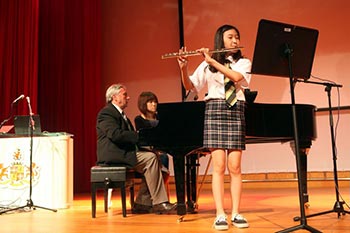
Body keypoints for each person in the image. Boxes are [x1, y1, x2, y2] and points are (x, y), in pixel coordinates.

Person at [177, 24, 251, 230]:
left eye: (237, 37)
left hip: (235, 108)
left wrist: (211, 60)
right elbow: (190, 86)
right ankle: (220, 214)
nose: (235, 41)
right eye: (230, 37)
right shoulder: (207, 65)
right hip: (215, 109)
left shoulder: (243, 62)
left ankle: (236, 212)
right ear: (221, 40)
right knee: (218, 165)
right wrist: (183, 67)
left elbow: (236, 78)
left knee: (235, 167)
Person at [96, 84, 176, 214]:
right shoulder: (107, 113)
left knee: (156, 159)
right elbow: (115, 135)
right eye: (124, 95)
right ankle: (160, 203)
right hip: (115, 154)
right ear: (115, 97)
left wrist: (150, 148)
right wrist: (138, 135)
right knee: (150, 159)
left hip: (124, 152)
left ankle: (141, 203)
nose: (128, 97)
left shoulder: (122, 115)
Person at [134, 91, 171, 198]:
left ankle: (157, 196)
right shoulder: (139, 119)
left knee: (164, 156)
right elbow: (144, 139)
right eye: (150, 102)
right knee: (159, 157)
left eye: (155, 102)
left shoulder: (160, 117)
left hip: (159, 148)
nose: (154, 104)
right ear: (143, 104)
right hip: (145, 150)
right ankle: (154, 196)